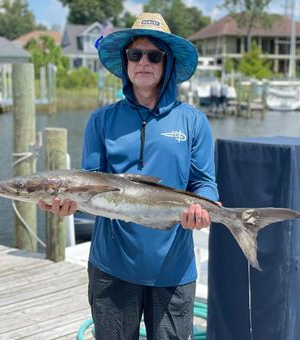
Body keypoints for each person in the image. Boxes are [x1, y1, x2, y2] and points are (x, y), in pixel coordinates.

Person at [38, 12, 219, 340]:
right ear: (125, 62)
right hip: (112, 268)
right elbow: (88, 184)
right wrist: (68, 205)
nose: (143, 61)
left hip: (173, 270)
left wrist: (204, 208)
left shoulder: (193, 122)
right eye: (135, 54)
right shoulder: (101, 120)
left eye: (154, 55)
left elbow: (204, 182)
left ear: (167, 64)